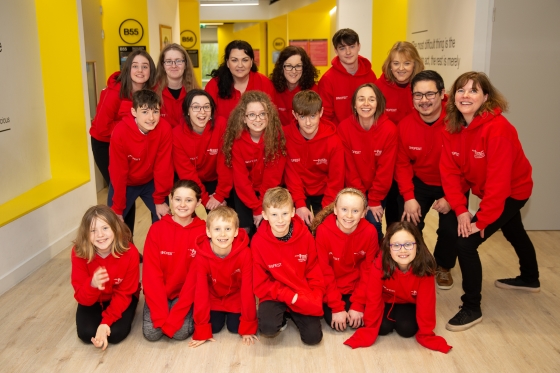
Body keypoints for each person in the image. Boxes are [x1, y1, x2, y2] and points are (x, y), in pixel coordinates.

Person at [441, 72, 540, 332]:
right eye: (461, 90)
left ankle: (472, 307)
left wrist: (479, 222)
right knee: (514, 230)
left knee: (466, 243)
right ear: (453, 97)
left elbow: (499, 184)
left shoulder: (498, 130)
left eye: (473, 91)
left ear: (486, 97)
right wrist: (461, 210)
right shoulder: (452, 126)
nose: (465, 95)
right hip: (491, 193)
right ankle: (530, 278)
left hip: (513, 191)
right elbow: (450, 172)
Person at [395, 70, 461, 290]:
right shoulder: (404, 126)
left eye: (430, 94)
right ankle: (419, 261)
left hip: (452, 182)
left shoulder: (457, 122)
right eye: (418, 95)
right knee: (409, 223)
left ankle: (444, 265)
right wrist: (408, 196)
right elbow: (402, 164)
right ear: (411, 97)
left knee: (451, 230)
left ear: (442, 94)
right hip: (420, 181)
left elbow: (466, 165)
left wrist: (451, 197)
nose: (424, 100)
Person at [344, 222, 452, 353]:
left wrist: (426, 333)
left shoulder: (425, 268)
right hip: (387, 299)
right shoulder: (379, 264)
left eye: (408, 244)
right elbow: (373, 298)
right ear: (388, 248)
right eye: (396, 245)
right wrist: (369, 327)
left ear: (417, 245)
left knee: (407, 329)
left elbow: (426, 303)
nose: (402, 250)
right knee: (382, 328)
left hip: (408, 302)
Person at [90, 50, 156, 233]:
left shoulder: (149, 92)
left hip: (133, 143)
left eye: (145, 66)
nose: (140, 70)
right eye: (135, 66)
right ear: (127, 69)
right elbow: (102, 127)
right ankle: (124, 245)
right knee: (122, 194)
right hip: (105, 144)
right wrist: (131, 127)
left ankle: (129, 244)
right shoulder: (114, 91)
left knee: (131, 194)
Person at [252, 187, 325, 345]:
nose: (280, 220)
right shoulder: (258, 242)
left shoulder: (305, 236)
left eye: (285, 214)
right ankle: (283, 314)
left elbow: (314, 269)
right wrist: (289, 297)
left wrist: (315, 296)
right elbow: (260, 284)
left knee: (313, 338)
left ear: (293, 212)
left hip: (300, 290)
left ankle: (292, 312)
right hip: (274, 294)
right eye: (274, 215)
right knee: (268, 327)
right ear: (264, 215)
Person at [142, 180, 206, 341]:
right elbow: (151, 275)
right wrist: (160, 315)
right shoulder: (156, 229)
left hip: (186, 294)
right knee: (151, 333)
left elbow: (194, 280)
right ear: (170, 199)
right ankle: (163, 310)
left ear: (198, 203)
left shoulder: (204, 232)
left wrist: (175, 319)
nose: (182, 205)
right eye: (178, 199)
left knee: (179, 333)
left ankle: (174, 313)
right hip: (160, 291)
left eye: (189, 200)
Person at [71, 205, 140, 350]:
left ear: (115, 228)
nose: (100, 235)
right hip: (93, 298)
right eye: (93, 230)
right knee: (86, 334)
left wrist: (105, 322)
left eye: (105, 228)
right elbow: (82, 297)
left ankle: (110, 319)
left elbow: (125, 293)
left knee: (115, 334)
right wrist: (92, 285)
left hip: (122, 296)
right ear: (85, 234)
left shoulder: (130, 252)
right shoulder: (79, 253)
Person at [189, 207, 258, 348]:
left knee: (235, 328)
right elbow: (201, 292)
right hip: (213, 297)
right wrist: (202, 329)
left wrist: (248, 325)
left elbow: (247, 290)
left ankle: (234, 317)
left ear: (236, 232)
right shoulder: (202, 256)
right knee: (213, 328)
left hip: (235, 297)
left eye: (228, 229)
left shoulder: (245, 254)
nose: (222, 234)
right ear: (208, 232)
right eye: (217, 229)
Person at [311, 188, 378, 331]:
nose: (349, 216)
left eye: (355, 211)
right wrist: (336, 307)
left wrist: (359, 304)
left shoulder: (370, 232)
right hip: (332, 286)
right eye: (344, 209)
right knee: (335, 322)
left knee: (361, 320)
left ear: (364, 213)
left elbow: (368, 270)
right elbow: (324, 271)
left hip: (356, 286)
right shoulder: (323, 231)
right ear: (335, 210)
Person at [337, 83, 397, 242]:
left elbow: (385, 170)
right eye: (361, 99)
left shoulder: (389, 130)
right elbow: (349, 168)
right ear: (354, 105)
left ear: (378, 104)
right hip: (354, 188)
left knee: (372, 223)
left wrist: (374, 199)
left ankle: (378, 260)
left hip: (378, 191)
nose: (366, 103)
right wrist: (361, 198)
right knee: (351, 224)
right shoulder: (344, 128)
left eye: (371, 99)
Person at [375, 41, 425, 231]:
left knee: (409, 215)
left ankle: (408, 250)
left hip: (414, 162)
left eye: (406, 63)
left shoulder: (422, 86)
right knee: (389, 211)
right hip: (387, 159)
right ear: (389, 65)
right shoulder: (379, 87)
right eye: (396, 63)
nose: (401, 68)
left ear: (415, 64)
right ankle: (388, 248)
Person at [108, 89, 173, 232]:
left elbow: (163, 166)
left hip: (150, 182)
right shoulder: (120, 132)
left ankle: (158, 253)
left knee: (165, 219)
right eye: (145, 112)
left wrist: (160, 199)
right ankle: (128, 254)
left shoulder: (164, 129)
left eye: (155, 111)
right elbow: (118, 172)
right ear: (133, 112)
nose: (151, 118)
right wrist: (118, 208)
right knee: (113, 225)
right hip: (126, 183)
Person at [222, 91, 287, 234]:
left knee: (268, 227)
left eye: (262, 114)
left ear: (269, 116)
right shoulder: (237, 142)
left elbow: (272, 178)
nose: (257, 119)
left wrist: (261, 207)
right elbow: (241, 181)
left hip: (269, 191)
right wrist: (256, 207)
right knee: (243, 228)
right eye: (251, 114)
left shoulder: (276, 138)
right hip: (246, 192)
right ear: (243, 118)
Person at [283, 90, 344, 226]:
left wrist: (324, 211)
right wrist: (299, 204)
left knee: (324, 228)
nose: (308, 122)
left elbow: (336, 180)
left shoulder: (333, 141)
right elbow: (292, 175)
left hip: (324, 192)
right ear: (294, 115)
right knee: (297, 228)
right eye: (302, 117)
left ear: (321, 113)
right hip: (297, 192)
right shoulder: (285, 137)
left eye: (312, 116)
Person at [173, 89, 231, 211]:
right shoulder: (177, 134)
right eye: (196, 107)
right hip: (192, 181)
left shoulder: (221, 125)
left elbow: (225, 163)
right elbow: (187, 173)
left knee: (228, 214)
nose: (202, 112)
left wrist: (220, 195)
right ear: (187, 111)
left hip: (217, 179)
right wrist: (206, 200)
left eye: (206, 107)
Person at [318, 29, 377, 125]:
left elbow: (377, 108)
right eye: (342, 48)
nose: (348, 52)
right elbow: (325, 118)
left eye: (352, 46)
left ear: (359, 46)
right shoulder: (327, 79)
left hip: (367, 134)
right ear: (336, 51)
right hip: (339, 136)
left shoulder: (370, 75)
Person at [205, 40, 275, 120]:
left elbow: (271, 118)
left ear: (251, 62)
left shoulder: (265, 83)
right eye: (234, 60)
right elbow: (208, 119)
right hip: (222, 132)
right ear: (227, 63)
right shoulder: (214, 85)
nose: (240, 65)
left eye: (245, 60)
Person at [270, 46, 320, 126]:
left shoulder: (313, 91)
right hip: (280, 137)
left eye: (298, 66)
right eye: (289, 66)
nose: (294, 71)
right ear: (282, 68)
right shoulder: (272, 89)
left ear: (304, 68)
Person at [155, 43, 200, 128]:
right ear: (163, 65)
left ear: (185, 64)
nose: (174, 65)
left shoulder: (197, 93)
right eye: (168, 61)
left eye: (178, 61)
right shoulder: (153, 92)